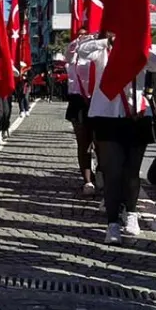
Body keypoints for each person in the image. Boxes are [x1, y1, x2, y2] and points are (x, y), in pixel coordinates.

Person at [78, 32, 156, 244]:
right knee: (112, 172)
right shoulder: (101, 51)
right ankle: (112, 223)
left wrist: (143, 51)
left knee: (132, 173)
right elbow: (80, 50)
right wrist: (106, 42)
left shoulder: (140, 54)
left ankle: (131, 214)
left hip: (136, 117)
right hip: (106, 116)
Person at [66, 28, 97, 196]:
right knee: (84, 143)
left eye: (87, 33)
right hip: (79, 101)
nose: (84, 36)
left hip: (98, 99)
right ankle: (88, 180)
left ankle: (101, 174)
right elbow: (68, 54)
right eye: (81, 33)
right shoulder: (74, 54)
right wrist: (77, 42)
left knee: (100, 143)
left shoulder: (100, 51)